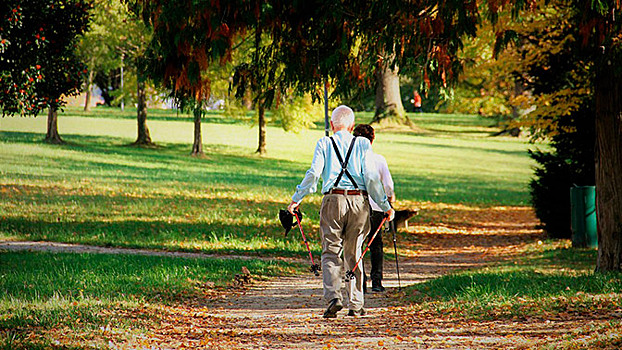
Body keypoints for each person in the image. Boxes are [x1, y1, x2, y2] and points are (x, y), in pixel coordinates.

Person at [287, 105, 394, 318]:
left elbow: (314, 173)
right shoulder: (363, 144)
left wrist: (296, 199)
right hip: (359, 201)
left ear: (332, 125)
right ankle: (356, 303)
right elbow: (372, 179)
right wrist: (385, 206)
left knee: (330, 251)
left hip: (332, 200)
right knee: (354, 252)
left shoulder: (324, 143)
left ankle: (334, 297)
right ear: (352, 125)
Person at [352, 124, 395, 293]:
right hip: (377, 207)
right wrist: (389, 200)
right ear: (372, 139)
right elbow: (388, 185)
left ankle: (360, 283)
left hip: (357, 206)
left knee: (357, 244)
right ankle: (376, 281)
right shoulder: (379, 159)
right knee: (376, 244)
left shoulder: (351, 160)